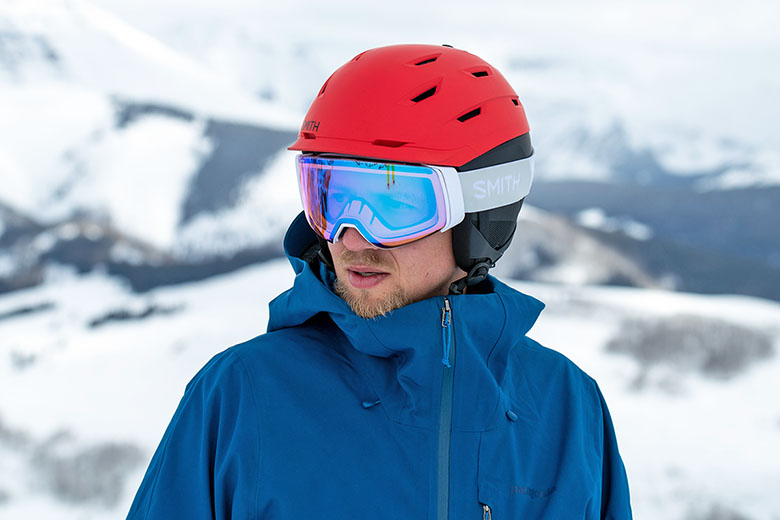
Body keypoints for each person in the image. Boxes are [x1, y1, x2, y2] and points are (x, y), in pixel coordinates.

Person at [127, 44, 632, 519]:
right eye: (329, 196)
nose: (349, 236)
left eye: (392, 202)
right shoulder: (243, 394)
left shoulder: (566, 406)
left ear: (481, 215)